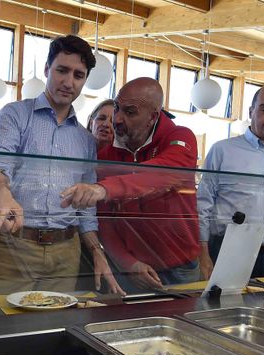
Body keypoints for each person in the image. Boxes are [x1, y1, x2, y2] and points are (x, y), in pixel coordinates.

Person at [0, 34, 122, 296]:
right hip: (14, 244)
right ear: (47, 69)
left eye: (78, 75)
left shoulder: (85, 139)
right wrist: (1, 193)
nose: (69, 82)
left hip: (66, 251)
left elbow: (86, 210)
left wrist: (97, 252)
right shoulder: (15, 114)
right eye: (62, 70)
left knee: (55, 320)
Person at [59, 78, 199, 292]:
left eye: (130, 112)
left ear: (152, 117)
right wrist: (128, 263)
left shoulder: (180, 137)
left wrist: (104, 188)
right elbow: (106, 222)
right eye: (117, 108)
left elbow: (165, 172)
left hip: (181, 268)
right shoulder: (106, 156)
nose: (117, 119)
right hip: (130, 271)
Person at [196, 85, 264, 279]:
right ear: (251, 112)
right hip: (228, 250)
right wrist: (202, 254)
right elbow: (202, 205)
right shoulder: (222, 150)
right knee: (225, 299)